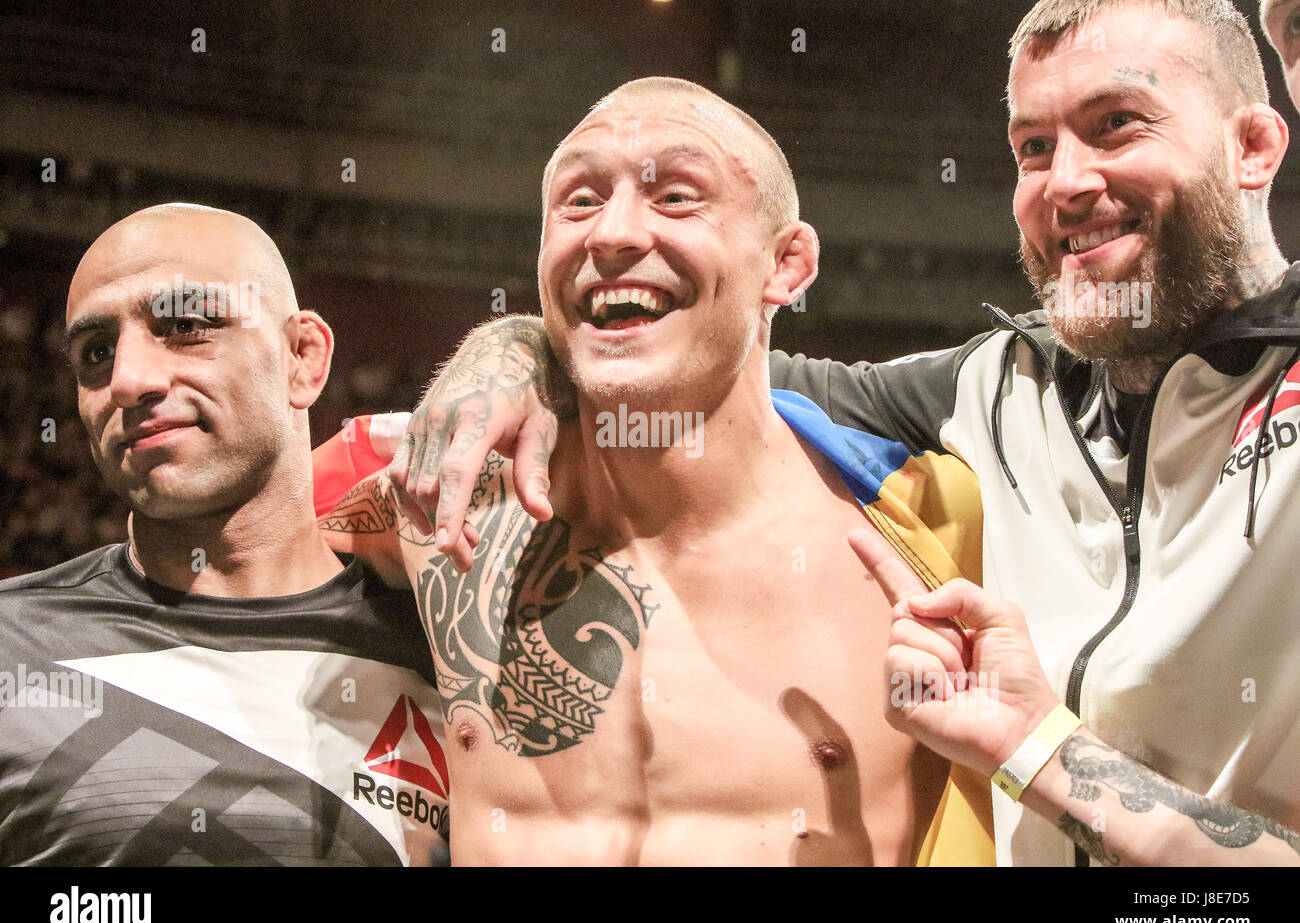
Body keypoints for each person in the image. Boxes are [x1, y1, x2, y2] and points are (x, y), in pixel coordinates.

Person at [357, 0, 1300, 866]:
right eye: (1033, 147)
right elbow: (706, 365)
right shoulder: (993, 396)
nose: (1068, 181)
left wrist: (1034, 746)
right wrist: (512, 351)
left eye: (1116, 126)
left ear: (1254, 145)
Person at [318, 77, 993, 865]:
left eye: (675, 196)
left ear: (787, 265)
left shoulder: (933, 531)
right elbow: (215, 552)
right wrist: (509, 343)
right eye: (577, 201)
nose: (612, 233)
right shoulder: (440, 495)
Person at [0, 203, 450, 866]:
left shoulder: (457, 644)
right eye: (96, 352)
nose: (126, 380)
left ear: (304, 358)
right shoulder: (13, 648)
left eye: (185, 325)